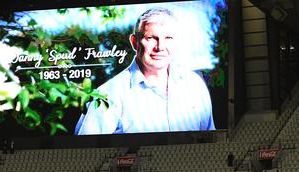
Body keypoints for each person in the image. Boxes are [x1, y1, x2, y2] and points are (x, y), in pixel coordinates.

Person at [76, 7, 215, 135]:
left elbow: (212, 143)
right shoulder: (108, 95)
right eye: (151, 38)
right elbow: (83, 153)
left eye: (168, 38)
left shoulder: (195, 85)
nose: (160, 47)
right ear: (134, 42)